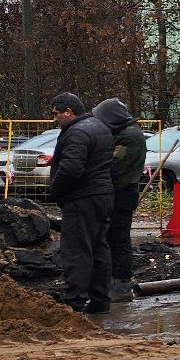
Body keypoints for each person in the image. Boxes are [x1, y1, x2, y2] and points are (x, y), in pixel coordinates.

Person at [48, 92, 115, 313]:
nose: (55, 119)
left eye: (57, 114)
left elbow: (70, 169)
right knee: (99, 248)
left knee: (76, 250)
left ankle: (74, 302)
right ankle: (100, 299)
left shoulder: (76, 132)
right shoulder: (99, 126)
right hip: (102, 195)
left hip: (81, 198)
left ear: (69, 111)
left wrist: (55, 191)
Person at [93, 97, 146, 301]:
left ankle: (121, 284)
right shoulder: (124, 133)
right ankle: (113, 282)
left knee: (119, 238)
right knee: (112, 237)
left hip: (122, 194)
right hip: (119, 192)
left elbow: (114, 167)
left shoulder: (130, 137)